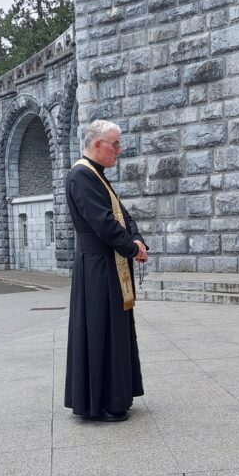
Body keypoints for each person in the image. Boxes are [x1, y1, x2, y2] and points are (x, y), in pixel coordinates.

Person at [64, 120, 148, 422]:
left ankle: (116, 396)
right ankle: (99, 403)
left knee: (115, 331)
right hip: (97, 267)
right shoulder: (81, 175)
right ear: (97, 144)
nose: (119, 150)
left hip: (109, 264)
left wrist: (137, 238)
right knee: (101, 331)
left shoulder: (96, 174)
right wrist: (132, 248)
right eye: (115, 144)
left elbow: (122, 215)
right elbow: (103, 223)